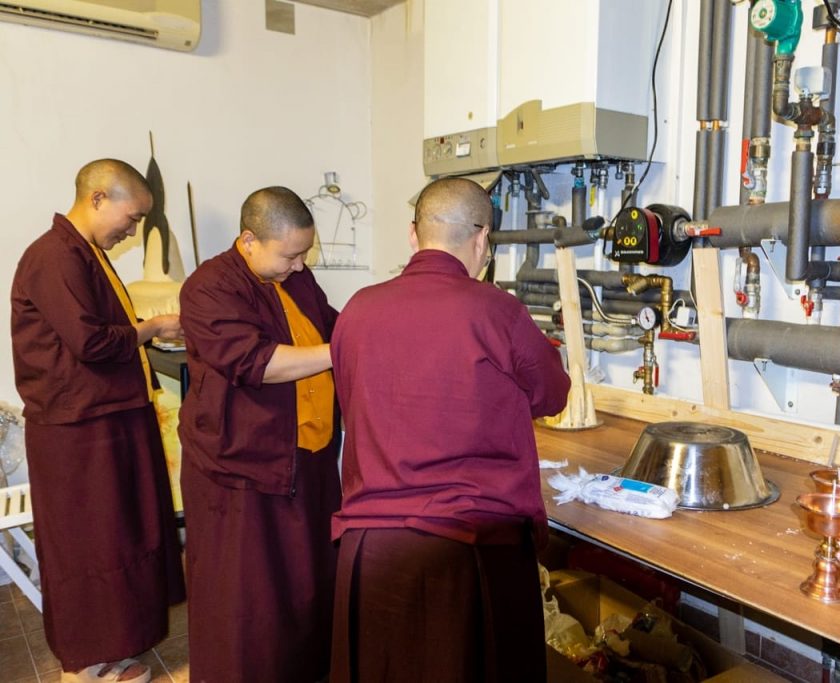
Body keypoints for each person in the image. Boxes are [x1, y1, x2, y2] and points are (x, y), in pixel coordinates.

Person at [329, 177, 571, 683]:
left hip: (370, 547)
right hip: (467, 546)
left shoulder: (357, 309)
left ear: (413, 235)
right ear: (483, 239)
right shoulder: (496, 310)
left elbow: (357, 401)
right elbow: (553, 395)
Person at [11, 158, 186, 683]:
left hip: (106, 416)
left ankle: (114, 646)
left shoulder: (85, 253)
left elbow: (101, 330)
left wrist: (147, 328)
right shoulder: (53, 256)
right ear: (98, 199)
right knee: (88, 545)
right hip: (76, 427)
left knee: (119, 538)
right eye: (132, 218)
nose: (133, 231)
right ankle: (85, 662)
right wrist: (153, 326)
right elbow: (88, 341)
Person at [177, 186, 340, 683]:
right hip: (243, 466)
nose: (300, 265)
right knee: (247, 595)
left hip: (307, 458)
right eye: (290, 255)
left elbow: (329, 325)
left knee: (307, 583)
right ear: (249, 241)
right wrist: (345, 350)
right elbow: (257, 362)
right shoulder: (210, 287)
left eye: (305, 254)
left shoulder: (295, 277)